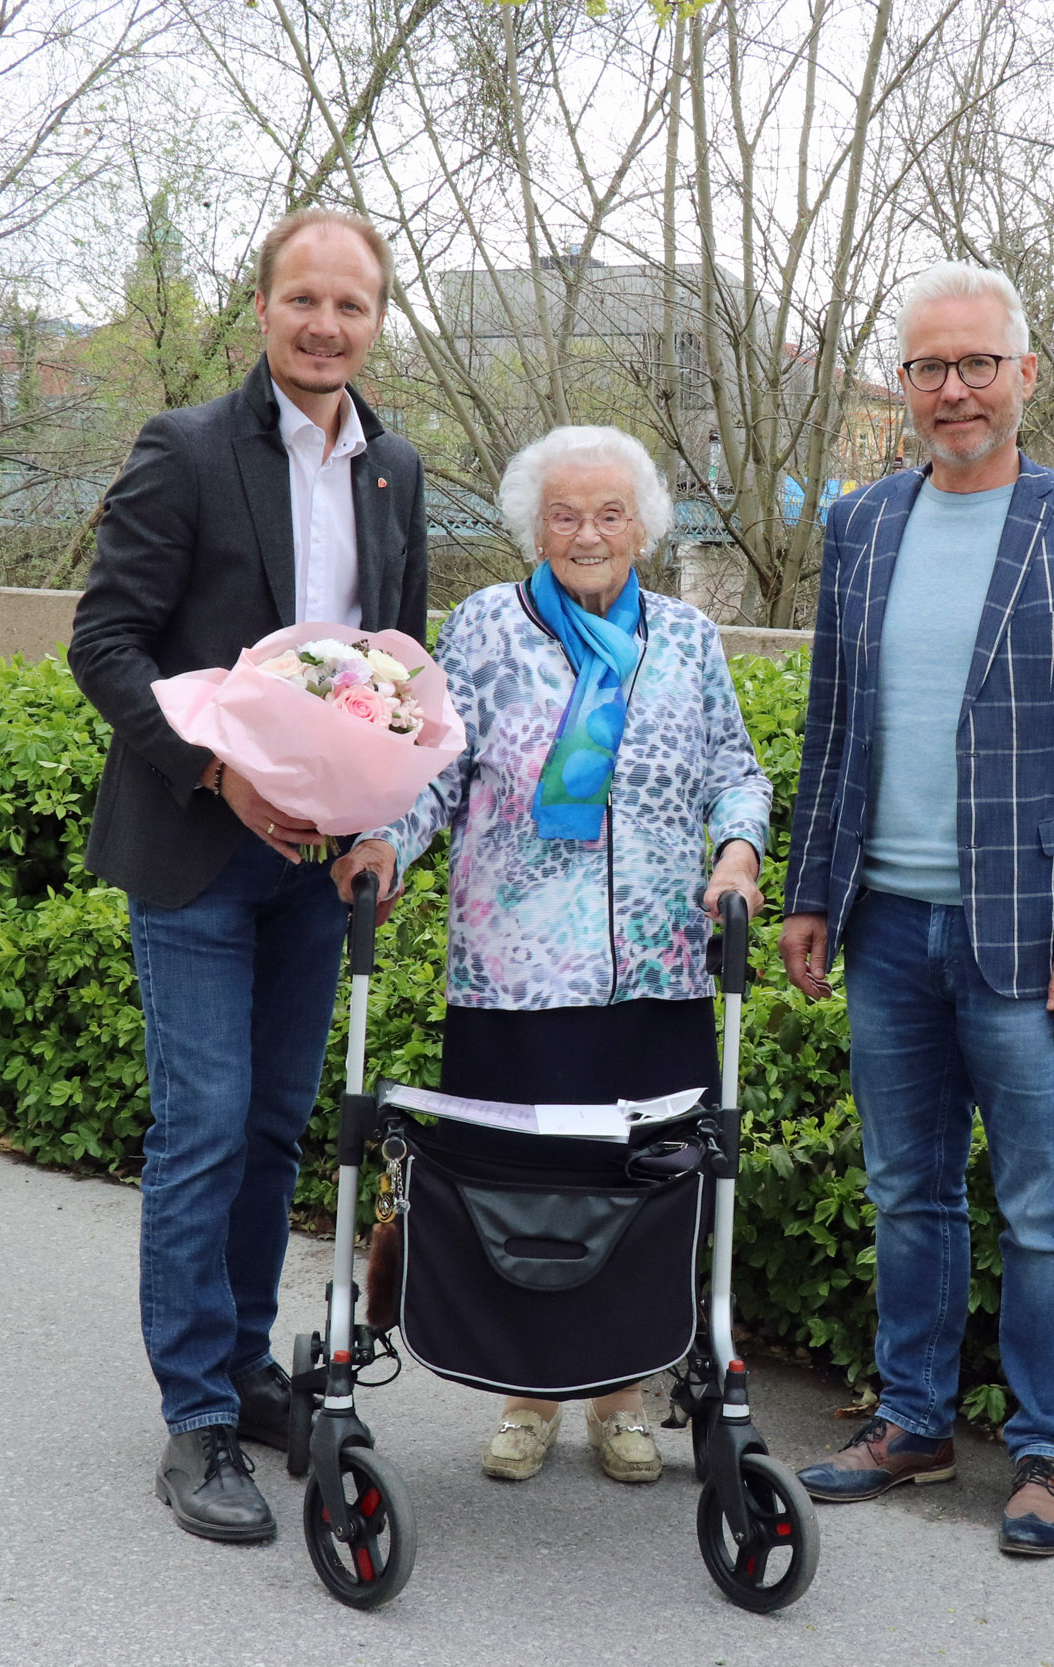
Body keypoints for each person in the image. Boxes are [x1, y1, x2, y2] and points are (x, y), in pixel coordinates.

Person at [778, 262, 1054, 1557]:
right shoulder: (861, 526)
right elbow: (832, 727)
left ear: (1026, 376)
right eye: (929, 368)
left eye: (976, 365)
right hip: (886, 925)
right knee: (908, 1190)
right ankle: (915, 1418)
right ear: (902, 384)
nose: (953, 390)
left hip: (1029, 938)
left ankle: (1050, 1448)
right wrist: (811, 893)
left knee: (1046, 1204)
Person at [68, 208, 429, 1546]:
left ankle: (243, 1365)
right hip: (198, 850)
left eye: (353, 304)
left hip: (317, 869)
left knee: (277, 1129)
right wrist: (219, 772)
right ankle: (197, 1413)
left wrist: (385, 811)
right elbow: (104, 643)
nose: (326, 325)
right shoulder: (186, 449)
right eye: (304, 300)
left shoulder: (395, 467)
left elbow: (401, 664)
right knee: (206, 1127)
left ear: (377, 316)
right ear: (264, 307)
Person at [335, 424, 771, 1486]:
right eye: (565, 514)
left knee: (639, 1191)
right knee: (526, 1188)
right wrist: (390, 841)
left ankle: (621, 1393)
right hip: (518, 969)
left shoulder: (685, 635)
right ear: (534, 525)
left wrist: (738, 851)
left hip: (662, 959)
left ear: (644, 528)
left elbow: (736, 769)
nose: (587, 533)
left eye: (609, 513)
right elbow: (438, 765)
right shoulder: (487, 625)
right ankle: (529, 1391)